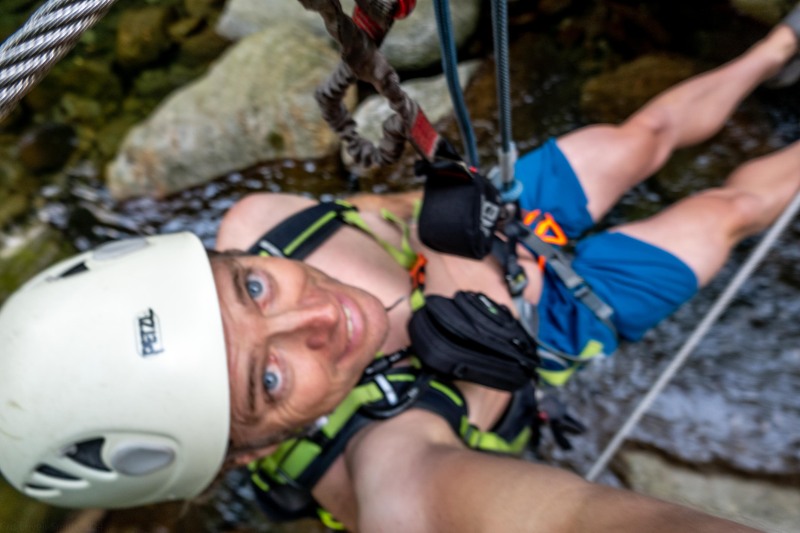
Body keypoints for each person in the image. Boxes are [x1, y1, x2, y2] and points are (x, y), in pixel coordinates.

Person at [1, 7, 799, 533]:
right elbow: (549, 517)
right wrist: (472, 294)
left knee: (643, 135)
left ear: (231, 256)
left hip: (495, 222)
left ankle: (775, 50)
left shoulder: (262, 223)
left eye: (253, 287)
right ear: (245, 454)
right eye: (268, 380)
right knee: (726, 209)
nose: (320, 318)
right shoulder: (384, 464)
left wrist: (438, 217)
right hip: (558, 318)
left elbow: (378, 212)